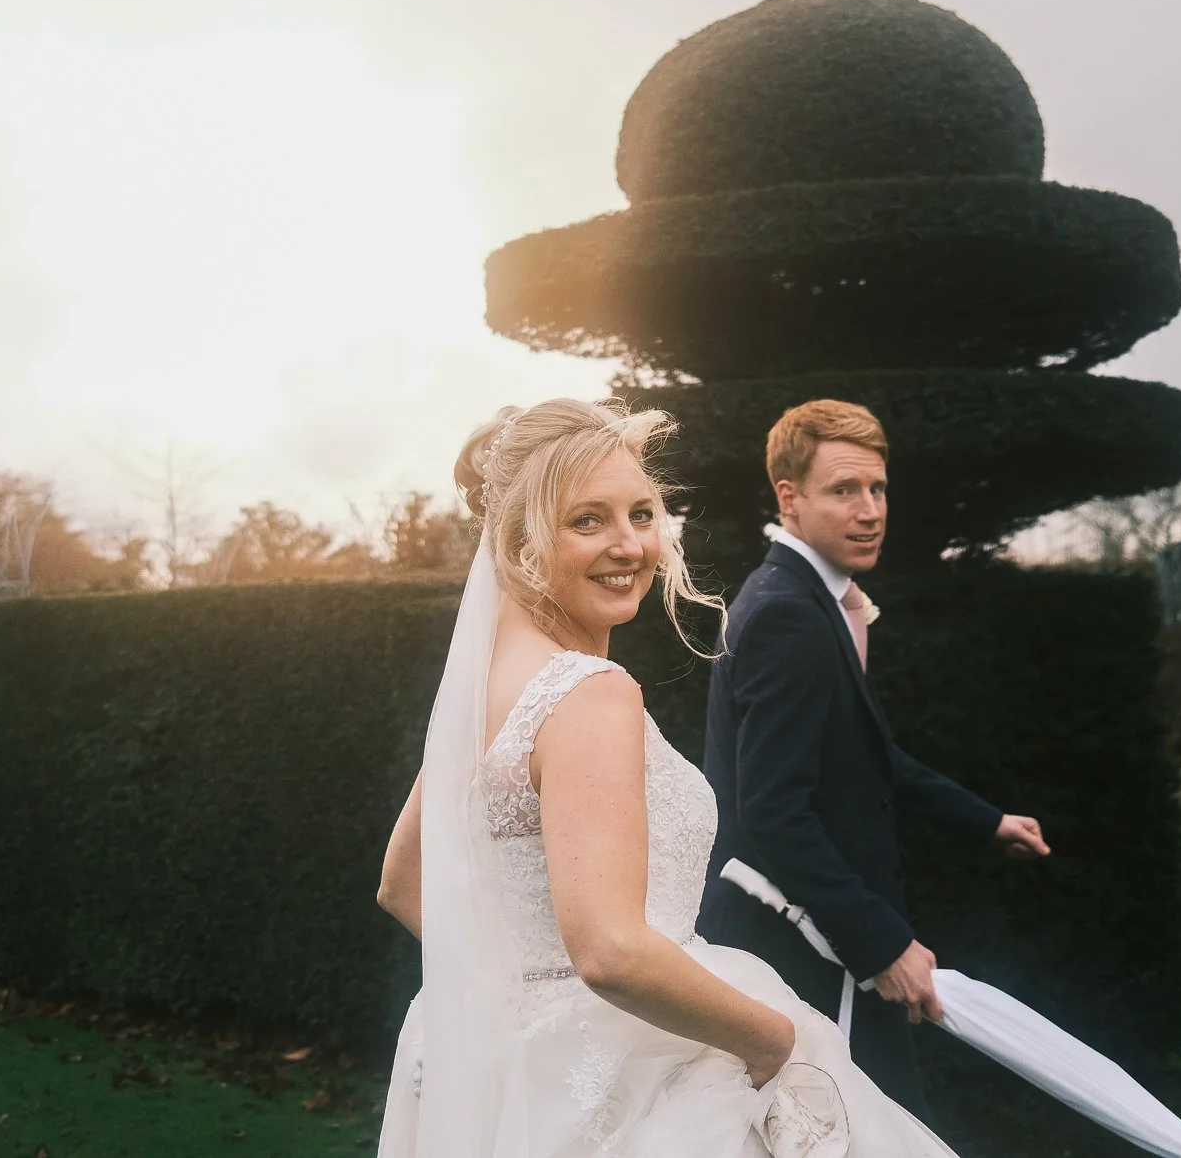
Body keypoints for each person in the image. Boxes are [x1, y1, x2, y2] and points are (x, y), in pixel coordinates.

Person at [374, 397, 960, 1157]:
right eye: (588, 520)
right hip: (645, 1081)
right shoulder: (588, 693)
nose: (630, 545)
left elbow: (402, 881)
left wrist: (517, 1006)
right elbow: (612, 952)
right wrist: (776, 1041)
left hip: (508, 1076)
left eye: (642, 514)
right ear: (520, 538)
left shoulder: (482, 686)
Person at [698, 400, 1051, 1124]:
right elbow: (772, 812)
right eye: (843, 490)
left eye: (878, 488)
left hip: (823, 943)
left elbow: (863, 754)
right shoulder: (789, 615)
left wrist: (986, 821)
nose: (870, 511)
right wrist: (881, 944)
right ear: (789, 498)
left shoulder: (814, 600)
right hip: (805, 953)